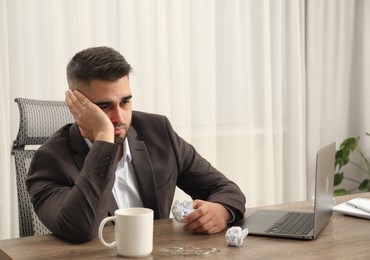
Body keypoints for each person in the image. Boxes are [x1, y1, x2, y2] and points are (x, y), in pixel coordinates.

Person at [26, 46, 246, 242]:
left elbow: (226, 190)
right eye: (104, 107)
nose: (119, 117)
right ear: (78, 106)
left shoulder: (157, 131)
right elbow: (80, 229)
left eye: (125, 102)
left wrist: (221, 210)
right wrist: (104, 138)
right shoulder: (49, 161)